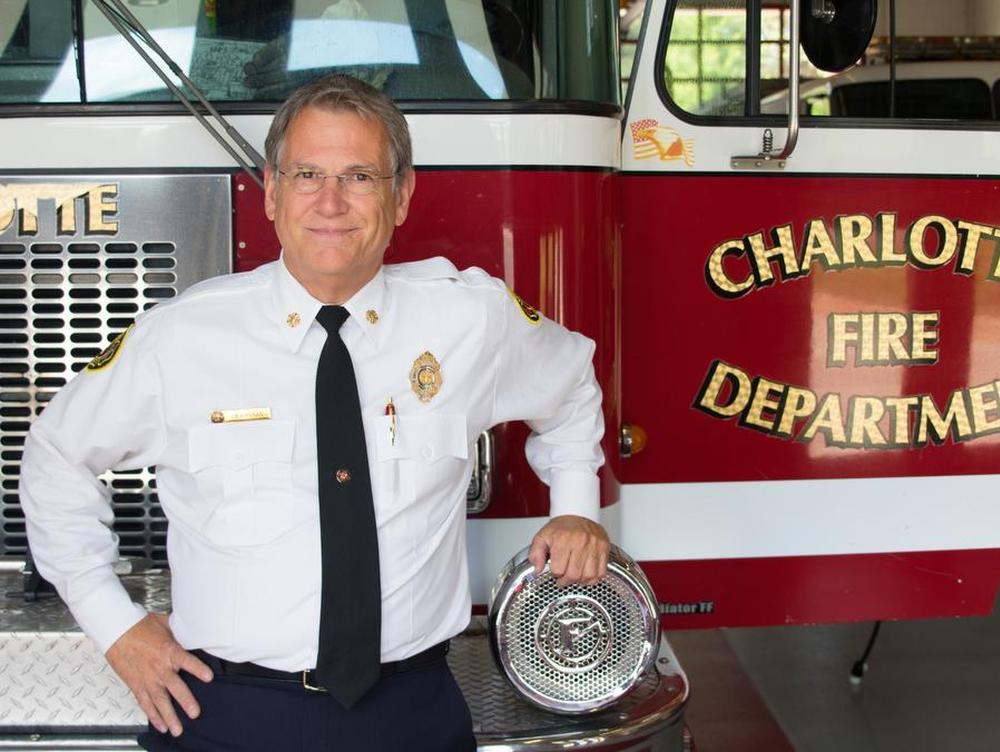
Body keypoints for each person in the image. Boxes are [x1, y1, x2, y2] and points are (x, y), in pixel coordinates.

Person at [19, 73, 609, 751]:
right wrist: (113, 624)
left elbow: (569, 386)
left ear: (402, 195)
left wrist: (574, 509)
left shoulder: (469, 319)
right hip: (224, 712)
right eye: (307, 174)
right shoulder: (182, 338)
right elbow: (56, 455)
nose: (331, 202)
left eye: (360, 176)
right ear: (271, 191)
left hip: (411, 712)